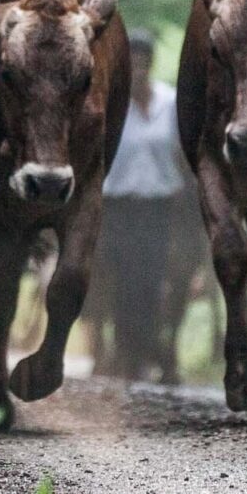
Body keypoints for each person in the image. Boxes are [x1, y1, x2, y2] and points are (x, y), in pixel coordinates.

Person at [94, 29, 192, 380]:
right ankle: (123, 353)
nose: (137, 68)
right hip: (117, 206)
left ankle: (143, 350)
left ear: (151, 64)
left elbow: (183, 156)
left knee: (150, 280)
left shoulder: (170, 103)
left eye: (142, 61)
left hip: (159, 206)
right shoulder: (110, 105)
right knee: (119, 279)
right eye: (131, 62)